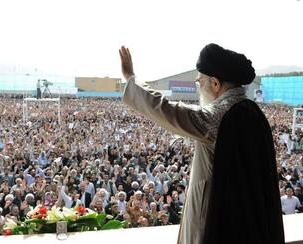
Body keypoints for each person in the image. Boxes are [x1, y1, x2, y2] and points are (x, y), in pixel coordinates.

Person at [119, 44, 284, 244]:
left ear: (215, 83)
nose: (197, 84)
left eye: (200, 80)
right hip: (250, 221)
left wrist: (130, 79)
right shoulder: (252, 111)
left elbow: (167, 110)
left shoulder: (220, 116)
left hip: (220, 223)